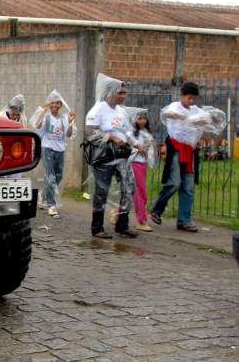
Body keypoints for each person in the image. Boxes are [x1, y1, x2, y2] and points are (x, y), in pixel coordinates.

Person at [84, 74, 137, 239]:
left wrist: (136, 143)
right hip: (104, 157)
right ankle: (97, 228)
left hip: (121, 156)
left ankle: (122, 225)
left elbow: (127, 132)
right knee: (102, 191)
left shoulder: (121, 111)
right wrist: (111, 137)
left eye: (124, 93)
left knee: (129, 188)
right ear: (111, 92)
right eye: (120, 93)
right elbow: (89, 132)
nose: (123, 96)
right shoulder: (98, 109)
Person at [149, 81, 203, 232]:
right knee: (174, 182)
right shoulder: (174, 106)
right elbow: (166, 113)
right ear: (182, 95)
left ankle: (184, 220)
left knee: (188, 187)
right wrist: (176, 115)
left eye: (194, 99)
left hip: (190, 151)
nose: (191, 101)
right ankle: (156, 209)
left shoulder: (196, 110)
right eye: (189, 98)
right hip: (177, 149)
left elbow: (205, 121)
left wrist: (203, 120)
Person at [33, 91, 76, 218]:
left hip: (60, 150)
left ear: (60, 105)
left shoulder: (63, 118)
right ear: (49, 104)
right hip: (47, 149)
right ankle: (51, 206)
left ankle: (44, 195)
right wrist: (43, 111)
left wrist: (71, 122)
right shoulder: (46, 116)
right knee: (50, 177)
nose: (55, 105)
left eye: (57, 103)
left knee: (58, 177)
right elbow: (37, 125)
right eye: (52, 103)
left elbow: (68, 135)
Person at [130, 111, 155, 232]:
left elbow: (149, 149)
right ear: (135, 120)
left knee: (133, 191)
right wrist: (137, 148)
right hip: (134, 163)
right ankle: (141, 220)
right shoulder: (131, 133)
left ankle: (117, 213)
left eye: (144, 118)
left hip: (142, 163)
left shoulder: (146, 132)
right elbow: (129, 145)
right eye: (140, 118)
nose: (142, 121)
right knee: (139, 192)